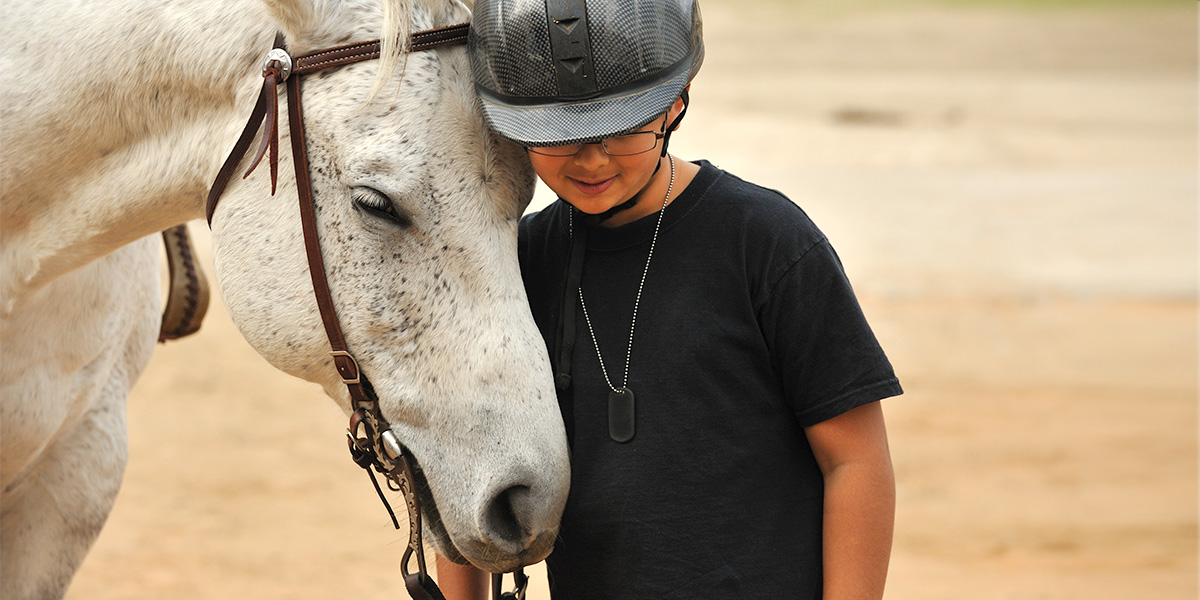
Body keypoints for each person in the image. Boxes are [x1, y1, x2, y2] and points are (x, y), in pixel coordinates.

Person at [438, 0, 902, 597]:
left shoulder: (768, 244)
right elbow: (466, 471)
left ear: (675, 102)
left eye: (621, 128)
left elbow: (856, 462)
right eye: (560, 134)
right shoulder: (517, 268)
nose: (592, 158)